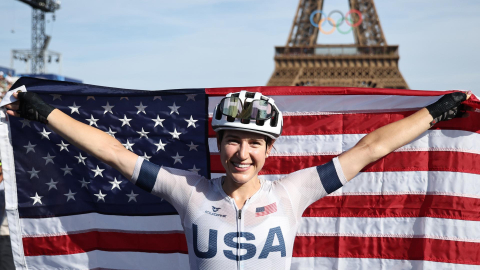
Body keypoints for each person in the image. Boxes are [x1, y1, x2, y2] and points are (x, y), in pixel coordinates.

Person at [5, 90, 469, 269]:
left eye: (254, 144)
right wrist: (44, 113)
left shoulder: (294, 190)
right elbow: (113, 152)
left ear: (270, 150)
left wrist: (433, 114)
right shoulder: (187, 190)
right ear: (219, 143)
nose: (241, 153)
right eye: (232, 141)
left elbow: (369, 149)